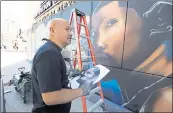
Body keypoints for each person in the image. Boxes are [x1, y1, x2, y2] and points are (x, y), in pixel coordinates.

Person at [31, 18, 93, 113]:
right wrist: (81, 91)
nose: (71, 33)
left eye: (71, 30)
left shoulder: (52, 51)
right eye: (67, 29)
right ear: (52, 30)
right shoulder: (49, 53)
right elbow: (51, 97)